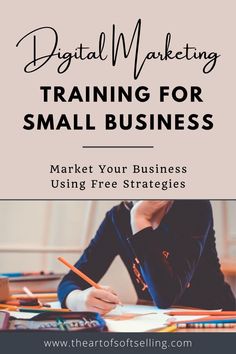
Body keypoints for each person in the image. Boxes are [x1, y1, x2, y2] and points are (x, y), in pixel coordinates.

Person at [58, 200, 236, 314]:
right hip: (159, 324)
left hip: (216, 318)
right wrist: (76, 299)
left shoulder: (193, 206)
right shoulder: (118, 217)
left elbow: (166, 297)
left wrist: (139, 220)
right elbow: (71, 280)